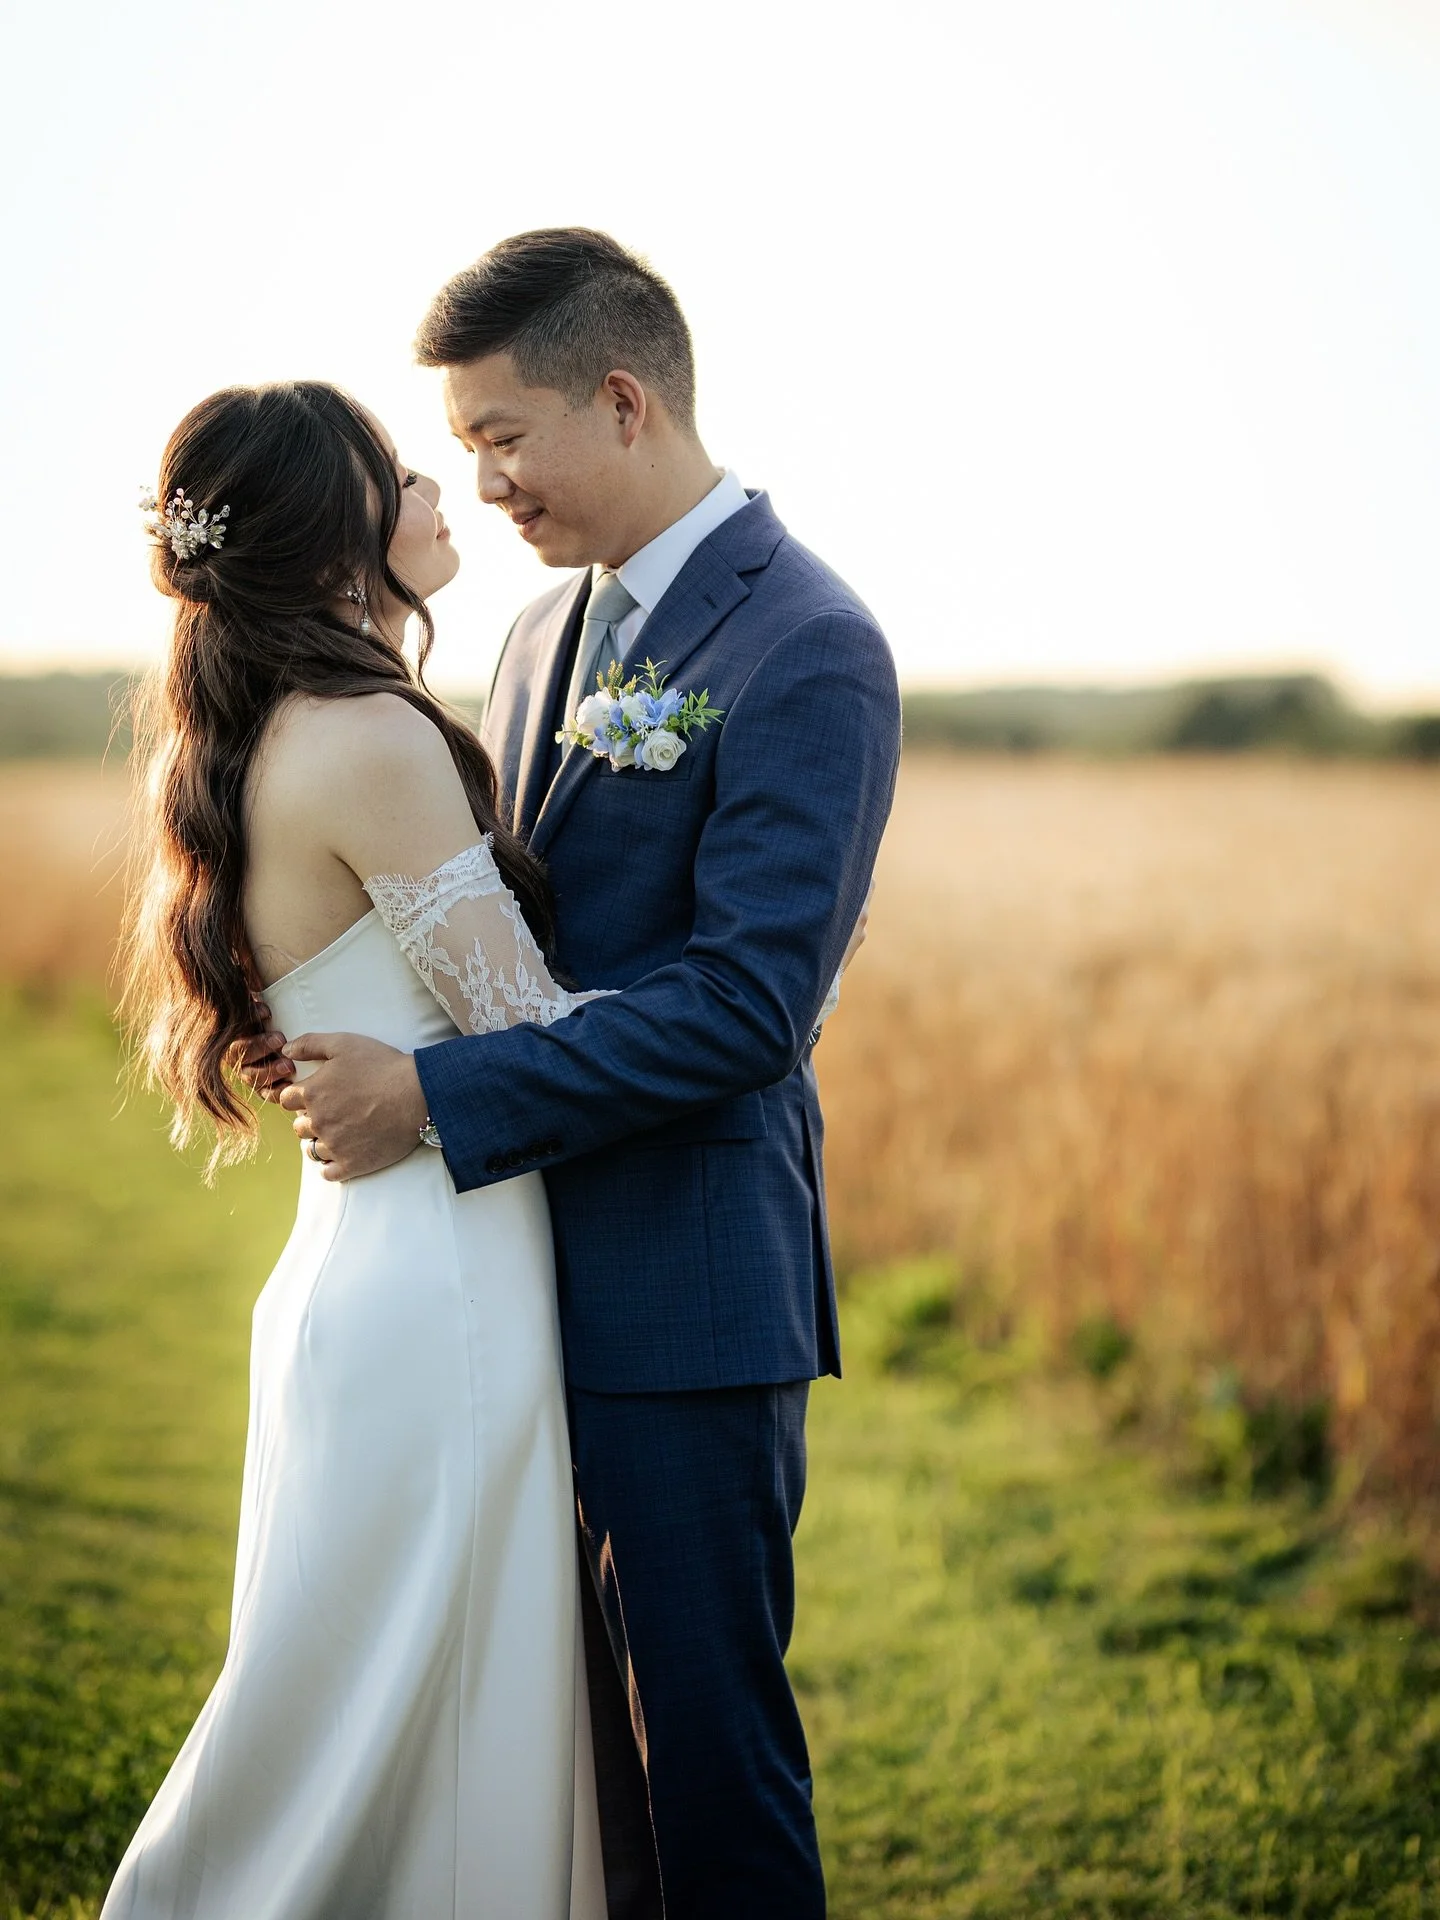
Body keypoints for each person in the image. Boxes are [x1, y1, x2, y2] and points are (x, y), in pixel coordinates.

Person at [264, 229, 903, 1919]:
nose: (480, 487)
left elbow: (749, 1003)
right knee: (563, 1767)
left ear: (621, 402)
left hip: (690, 1288)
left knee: (705, 1754)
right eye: (462, 449)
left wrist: (436, 1103)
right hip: (507, 1288)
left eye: (501, 438)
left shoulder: (810, 644)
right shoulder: (541, 635)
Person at [105, 380, 612, 1918]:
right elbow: (532, 1031)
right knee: (403, 1737)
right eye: (396, 473)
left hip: (368, 1268)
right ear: (335, 537)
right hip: (444, 1284)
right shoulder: (373, 732)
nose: (440, 486)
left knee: (366, 1723)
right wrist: (764, 986)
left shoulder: (261, 731)